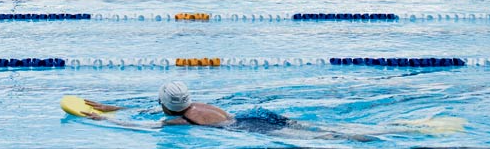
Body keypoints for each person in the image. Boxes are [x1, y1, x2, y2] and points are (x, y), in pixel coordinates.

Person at [82, 82, 386, 142]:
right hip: (255, 117)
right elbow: (146, 111)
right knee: (308, 128)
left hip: (248, 131)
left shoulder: (177, 120)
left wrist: (103, 120)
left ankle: (358, 138)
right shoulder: (199, 106)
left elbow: (142, 127)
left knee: (323, 138)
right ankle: (371, 132)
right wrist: (111, 107)